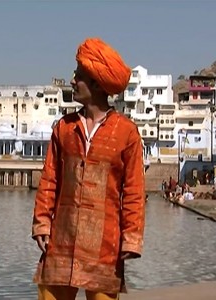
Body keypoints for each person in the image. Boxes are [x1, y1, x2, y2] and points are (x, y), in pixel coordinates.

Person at [32, 37, 145, 300]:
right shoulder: (65, 128)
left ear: (95, 83)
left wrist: (131, 237)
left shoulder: (126, 133)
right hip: (61, 240)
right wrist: (42, 224)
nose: (72, 80)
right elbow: (50, 179)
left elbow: (133, 191)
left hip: (105, 246)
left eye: (78, 75)